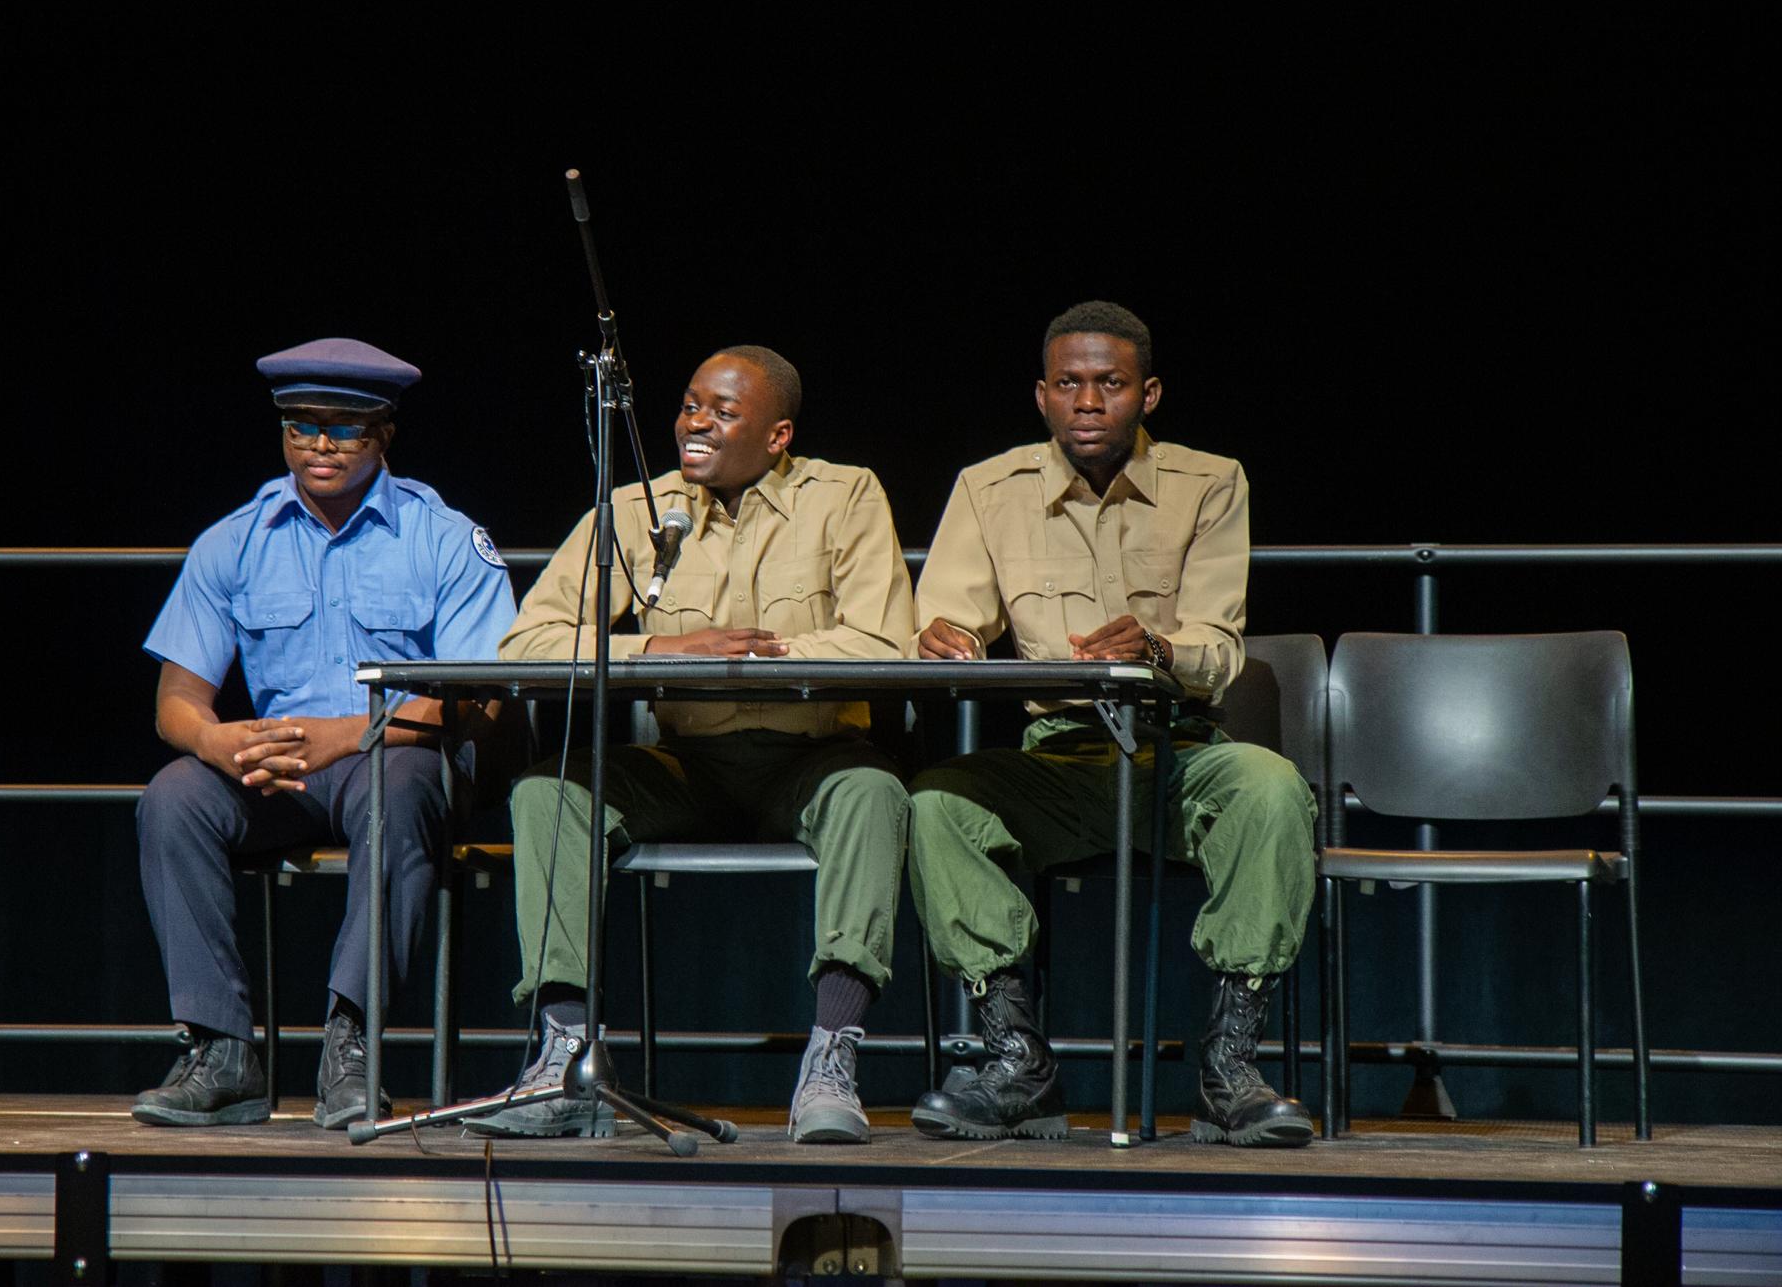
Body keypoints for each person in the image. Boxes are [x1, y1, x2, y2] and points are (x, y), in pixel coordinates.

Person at [466, 345, 914, 1145]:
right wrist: (663, 652)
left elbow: (882, 644)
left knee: (874, 793)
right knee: (549, 790)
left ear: (777, 436)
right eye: (688, 404)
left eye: (722, 411)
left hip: (809, 761)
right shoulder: (639, 508)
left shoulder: (844, 496)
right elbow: (526, 642)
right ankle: (565, 1056)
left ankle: (833, 1056)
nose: (694, 423)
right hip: (689, 765)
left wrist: (754, 656)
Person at [906, 301, 1317, 1148]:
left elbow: (1216, 642)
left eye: (1110, 384)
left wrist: (1159, 645)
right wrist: (942, 635)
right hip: (1059, 758)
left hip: (1178, 749)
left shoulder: (1211, 481)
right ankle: (1017, 1062)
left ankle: (1230, 1068)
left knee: (1273, 787)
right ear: (1042, 396)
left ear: (1149, 393)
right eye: (1070, 385)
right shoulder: (989, 489)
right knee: (937, 803)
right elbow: (949, 609)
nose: (1088, 402)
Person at [132, 337, 517, 1129]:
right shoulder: (234, 540)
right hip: (280, 768)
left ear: (383, 435)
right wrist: (220, 743)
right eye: (301, 426)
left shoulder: (441, 535)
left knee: (399, 786)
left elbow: (482, 697)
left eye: (343, 428)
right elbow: (177, 699)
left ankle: (353, 1045)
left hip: (402, 754)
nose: (320, 445)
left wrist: (348, 735)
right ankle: (222, 1052)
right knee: (172, 798)